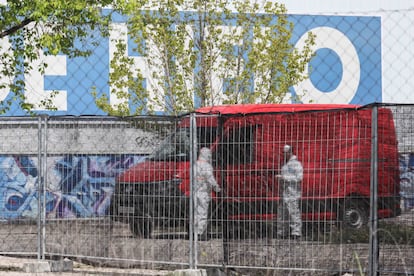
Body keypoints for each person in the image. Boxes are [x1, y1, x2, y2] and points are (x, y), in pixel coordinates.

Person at [276, 144, 303, 239]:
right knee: (282, 213)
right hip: (284, 192)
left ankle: (296, 233)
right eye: (283, 152)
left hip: (293, 192)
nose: (284, 154)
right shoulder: (284, 165)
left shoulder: (296, 164)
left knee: (293, 212)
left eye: (286, 152)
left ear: (291, 152)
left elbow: (299, 178)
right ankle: (282, 232)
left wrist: (285, 178)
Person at [194, 147, 221, 240]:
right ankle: (201, 233)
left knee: (195, 212)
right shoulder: (207, 166)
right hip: (203, 192)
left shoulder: (195, 165)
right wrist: (216, 187)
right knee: (203, 213)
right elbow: (210, 178)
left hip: (194, 192)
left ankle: (194, 231)